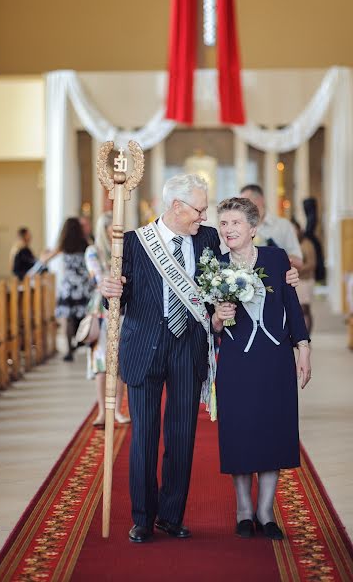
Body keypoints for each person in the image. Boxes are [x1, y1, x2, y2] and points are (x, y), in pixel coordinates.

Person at [101, 174, 299, 544]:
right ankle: (143, 518)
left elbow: (243, 265)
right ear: (176, 207)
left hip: (189, 349)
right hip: (145, 348)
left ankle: (171, 516)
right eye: (199, 209)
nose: (204, 216)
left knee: (181, 436)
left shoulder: (207, 239)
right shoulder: (131, 244)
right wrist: (107, 290)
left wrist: (285, 274)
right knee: (144, 437)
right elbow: (116, 299)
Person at [212, 197, 311, 540]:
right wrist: (218, 319)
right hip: (237, 361)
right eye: (223, 223)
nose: (228, 230)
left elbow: (292, 308)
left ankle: (266, 511)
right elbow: (209, 325)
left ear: (253, 229)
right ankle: (243, 509)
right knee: (239, 432)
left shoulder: (276, 258)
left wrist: (304, 348)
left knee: (272, 431)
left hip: (274, 359)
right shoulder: (214, 267)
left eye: (235, 223)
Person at [85, 211, 130, 425]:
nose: (116, 234)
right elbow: (98, 278)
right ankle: (103, 411)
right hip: (101, 310)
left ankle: (118, 410)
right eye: (113, 230)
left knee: (120, 361)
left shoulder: (124, 250)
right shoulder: (93, 251)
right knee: (102, 361)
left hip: (122, 308)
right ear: (104, 230)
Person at [47, 217, 91, 361]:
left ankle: (69, 351)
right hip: (83, 286)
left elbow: (45, 259)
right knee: (84, 316)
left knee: (68, 319)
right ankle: (82, 342)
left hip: (68, 286)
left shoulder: (63, 245)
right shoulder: (84, 243)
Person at [240, 184, 303, 269]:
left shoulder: (283, 225)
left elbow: (298, 262)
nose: (242, 207)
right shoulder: (240, 227)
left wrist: (276, 255)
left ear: (260, 200)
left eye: (245, 202)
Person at [292, 219, 316, 334]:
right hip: (293, 281)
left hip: (305, 280)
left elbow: (311, 264)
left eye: (294, 229)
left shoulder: (307, 244)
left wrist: (297, 270)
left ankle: (306, 336)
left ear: (299, 230)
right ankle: (299, 335)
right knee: (296, 310)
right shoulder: (289, 244)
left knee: (304, 309)